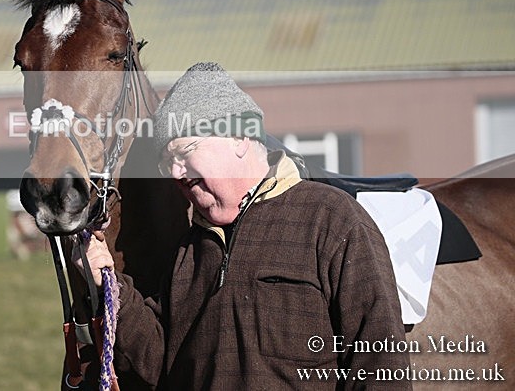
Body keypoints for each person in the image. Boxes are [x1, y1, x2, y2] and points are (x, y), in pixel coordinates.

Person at [80, 62, 411, 389]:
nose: (177, 173)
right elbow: (158, 365)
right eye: (168, 163)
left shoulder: (332, 220)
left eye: (186, 152)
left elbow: (380, 365)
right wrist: (107, 280)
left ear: (239, 136)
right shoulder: (188, 250)